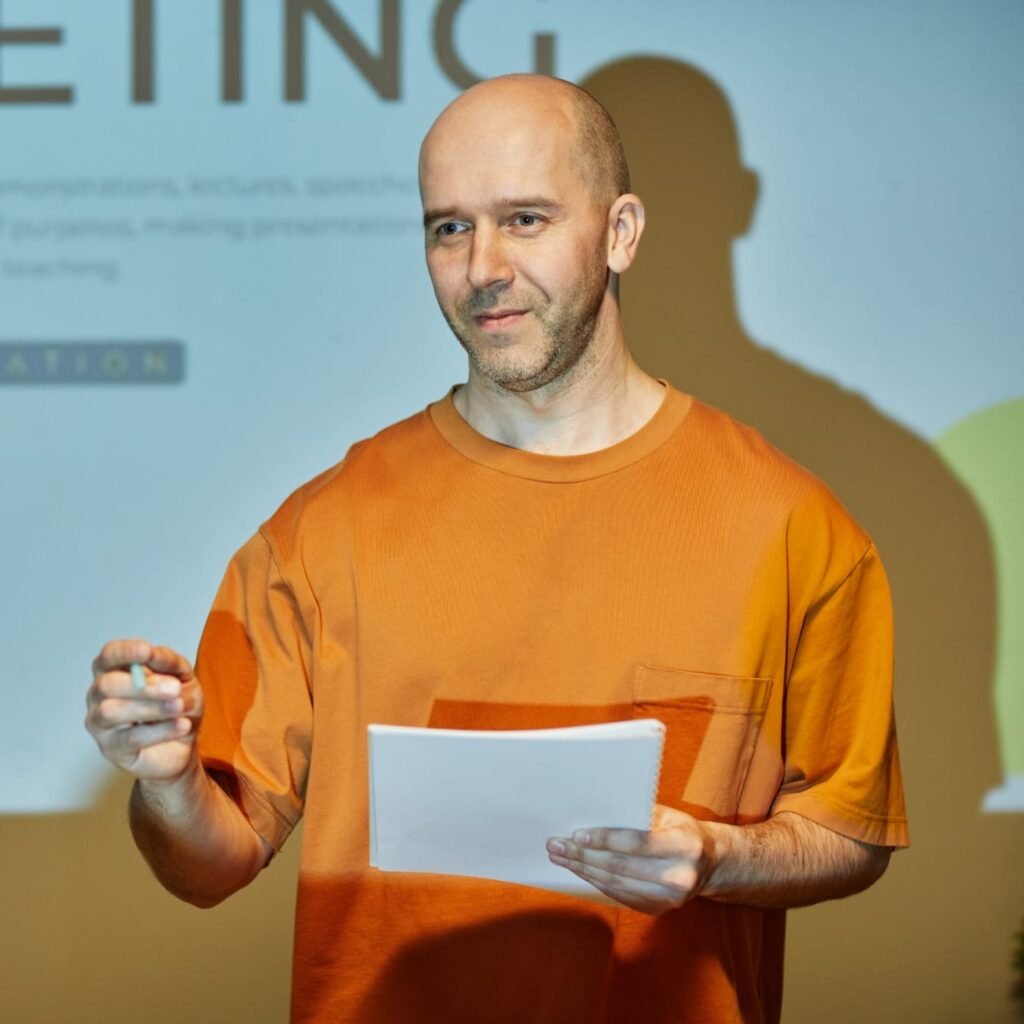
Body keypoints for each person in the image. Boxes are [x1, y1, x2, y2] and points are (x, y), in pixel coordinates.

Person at [85, 74, 908, 1023]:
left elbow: (851, 833)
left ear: (620, 232)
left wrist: (720, 857)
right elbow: (208, 866)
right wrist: (170, 783)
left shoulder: (791, 525)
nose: (482, 266)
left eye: (524, 219)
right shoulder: (321, 530)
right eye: (449, 228)